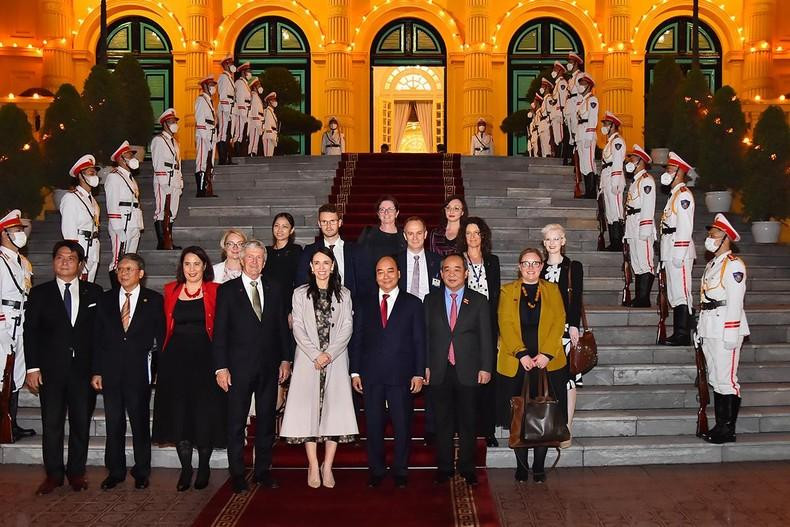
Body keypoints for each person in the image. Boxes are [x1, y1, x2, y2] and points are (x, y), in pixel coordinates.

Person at [24, 241, 102, 495]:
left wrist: (98, 369)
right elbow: (31, 333)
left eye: (71, 258)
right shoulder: (39, 293)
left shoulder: (95, 292)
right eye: (60, 257)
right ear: (53, 261)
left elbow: (101, 334)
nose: (65, 261)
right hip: (51, 371)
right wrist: (32, 368)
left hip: (83, 371)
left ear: (81, 264)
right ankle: (53, 475)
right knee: (52, 423)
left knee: (81, 422)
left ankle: (76, 473)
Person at [213, 240, 291, 493]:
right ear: (242, 259)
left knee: (267, 421)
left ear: (264, 262)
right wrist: (221, 367)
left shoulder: (275, 288)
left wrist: (285, 359)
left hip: (269, 367)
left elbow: (282, 327)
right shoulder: (226, 291)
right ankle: (237, 473)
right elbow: (220, 333)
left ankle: (262, 471)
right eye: (250, 257)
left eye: (259, 257)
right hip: (237, 370)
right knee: (236, 422)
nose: (255, 261)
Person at [281, 248, 357, 488]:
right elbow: (298, 328)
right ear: (311, 267)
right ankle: (313, 464)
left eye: (326, 263)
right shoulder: (299, 294)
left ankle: (328, 466)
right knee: (308, 413)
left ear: (333, 266)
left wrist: (329, 354)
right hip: (308, 360)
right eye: (317, 263)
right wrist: (316, 354)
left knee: (335, 411)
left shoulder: (344, 294)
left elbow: (347, 327)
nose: (322, 267)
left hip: (335, 359)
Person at [153, 247, 225, 491]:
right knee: (180, 414)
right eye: (187, 264)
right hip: (175, 362)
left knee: (203, 415)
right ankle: (186, 469)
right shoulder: (170, 290)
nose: (192, 269)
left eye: (197, 264)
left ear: (205, 266)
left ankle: (203, 467)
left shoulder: (216, 291)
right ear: (181, 267)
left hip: (206, 361)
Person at [351, 256, 425, 489]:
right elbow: (357, 339)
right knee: (373, 426)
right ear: (375, 276)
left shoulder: (413, 303)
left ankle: (401, 470)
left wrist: (418, 373)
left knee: (402, 426)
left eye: (390, 271)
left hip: (401, 376)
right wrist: (354, 372)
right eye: (380, 272)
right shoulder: (364, 303)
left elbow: (419, 341)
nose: (385, 276)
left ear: (399, 274)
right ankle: (377, 470)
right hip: (371, 376)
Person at [92, 253, 165, 490]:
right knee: (114, 423)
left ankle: (142, 471)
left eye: (129, 269)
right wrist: (97, 371)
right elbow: (98, 337)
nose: (123, 273)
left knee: (140, 423)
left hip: (138, 372)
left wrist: (157, 370)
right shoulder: (105, 299)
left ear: (141, 274)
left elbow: (161, 337)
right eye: (120, 269)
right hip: (111, 372)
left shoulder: (153, 300)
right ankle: (116, 471)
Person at [498, 248, 567, 483]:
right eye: (525, 263)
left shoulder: (552, 290)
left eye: (535, 263)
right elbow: (505, 324)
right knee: (518, 414)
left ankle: (538, 466)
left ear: (541, 266)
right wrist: (522, 354)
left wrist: (546, 353)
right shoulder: (507, 291)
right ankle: (521, 465)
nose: (530, 267)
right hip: (517, 363)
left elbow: (559, 322)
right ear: (519, 266)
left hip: (547, 363)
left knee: (544, 414)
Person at [425, 254, 493, 486]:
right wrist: (424, 366)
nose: (452, 273)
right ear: (441, 274)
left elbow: (486, 337)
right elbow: (425, 337)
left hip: (469, 369)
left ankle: (467, 468)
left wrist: (486, 367)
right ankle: (444, 468)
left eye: (457, 269)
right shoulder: (430, 300)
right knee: (442, 422)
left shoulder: (479, 300)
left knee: (468, 422)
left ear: (465, 273)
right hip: (439, 369)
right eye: (447, 269)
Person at [698, 214, 749, 444]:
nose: (710, 238)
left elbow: (735, 302)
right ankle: (720, 426)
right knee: (716, 378)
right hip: (710, 326)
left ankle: (727, 429)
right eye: (710, 234)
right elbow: (705, 299)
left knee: (727, 379)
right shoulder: (712, 264)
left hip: (726, 327)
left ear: (726, 238)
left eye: (714, 234)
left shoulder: (734, 265)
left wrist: (731, 331)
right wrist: (700, 330)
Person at [457, 217, 501, 447]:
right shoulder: (457, 262)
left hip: (488, 328)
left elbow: (497, 298)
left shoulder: (492, 262)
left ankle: (488, 429)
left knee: (487, 381)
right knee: (465, 381)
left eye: (477, 233)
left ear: (483, 236)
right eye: (468, 233)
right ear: (463, 237)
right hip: (463, 329)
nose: (473, 237)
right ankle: (466, 429)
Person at [540, 224, 584, 442]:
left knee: (568, 379)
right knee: (547, 378)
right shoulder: (538, 268)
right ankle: (547, 422)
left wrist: (574, 325)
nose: (552, 243)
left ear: (563, 241)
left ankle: (566, 427)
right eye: (548, 239)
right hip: (544, 332)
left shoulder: (573, 267)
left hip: (566, 330)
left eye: (556, 239)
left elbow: (576, 298)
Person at [0, 210, 35, 441]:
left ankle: (10, 422)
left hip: (21, 322)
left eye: (21, 230)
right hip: (4, 323)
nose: (21, 234)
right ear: (4, 233)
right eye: (16, 230)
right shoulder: (1, 261)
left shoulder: (23, 261)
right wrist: (3, 330)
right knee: (1, 374)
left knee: (15, 375)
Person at [659, 151, 695, 346]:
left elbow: (684, 227)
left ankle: (683, 333)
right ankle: (679, 331)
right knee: (674, 292)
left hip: (679, 251)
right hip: (670, 249)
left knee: (681, 291)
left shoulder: (683, 196)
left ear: (680, 172)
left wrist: (679, 254)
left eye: (671, 170)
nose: (666, 173)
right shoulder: (674, 196)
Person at [297, 204, 369, 301]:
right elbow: (302, 282)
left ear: (339, 223)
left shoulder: (355, 251)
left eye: (332, 221)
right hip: (317, 306)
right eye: (324, 222)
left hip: (349, 307)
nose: (328, 226)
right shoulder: (310, 251)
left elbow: (363, 284)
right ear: (319, 224)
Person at [105, 141, 144, 287]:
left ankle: (127, 289)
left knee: (131, 258)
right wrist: (117, 228)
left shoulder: (129, 177)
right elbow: (112, 203)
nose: (132, 157)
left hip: (133, 220)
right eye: (128, 155)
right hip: (122, 222)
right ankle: (116, 293)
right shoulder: (114, 177)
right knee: (118, 260)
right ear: (121, 158)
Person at [623, 145, 656, 307]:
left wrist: (645, 229)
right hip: (633, 224)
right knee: (636, 262)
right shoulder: (636, 181)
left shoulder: (646, 181)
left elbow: (648, 206)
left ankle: (644, 298)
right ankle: (639, 297)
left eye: (633, 159)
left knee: (645, 262)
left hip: (643, 226)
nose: (629, 161)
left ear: (641, 162)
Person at [60, 154, 100, 281]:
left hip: (93, 245)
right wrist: (74, 255)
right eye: (91, 172)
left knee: (89, 285)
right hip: (81, 244)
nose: (94, 176)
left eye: (95, 173)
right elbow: (69, 230)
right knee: (77, 284)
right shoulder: (71, 198)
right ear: (81, 176)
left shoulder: (92, 199)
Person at [151, 108, 183, 250]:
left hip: (175, 179)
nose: (174, 124)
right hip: (163, 180)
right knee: (161, 210)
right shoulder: (159, 140)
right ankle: (162, 242)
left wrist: (180, 180)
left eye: (175, 121)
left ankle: (168, 239)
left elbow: (178, 163)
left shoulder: (175, 143)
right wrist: (164, 183)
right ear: (164, 124)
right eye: (171, 121)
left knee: (172, 211)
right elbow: (158, 163)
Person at [397, 216, 442, 301]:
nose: (415, 238)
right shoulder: (395, 262)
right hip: (403, 310)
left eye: (419, 233)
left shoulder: (438, 261)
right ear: (405, 236)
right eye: (410, 233)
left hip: (429, 310)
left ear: (425, 234)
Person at [599, 111, 626, 251]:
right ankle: (613, 241)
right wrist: (602, 186)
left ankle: (619, 242)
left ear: (613, 126)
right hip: (607, 178)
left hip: (614, 179)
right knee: (609, 212)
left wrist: (615, 182)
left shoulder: (617, 142)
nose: (604, 126)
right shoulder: (610, 142)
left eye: (607, 124)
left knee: (616, 211)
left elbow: (616, 162)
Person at [263, 213, 303, 305]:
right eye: (276, 226)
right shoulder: (265, 251)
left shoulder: (296, 251)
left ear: (291, 230)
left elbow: (299, 281)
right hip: (267, 302)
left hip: (288, 301)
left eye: (284, 226)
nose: (279, 230)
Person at [357, 196, 407, 268]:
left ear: (397, 213)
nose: (386, 212)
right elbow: (359, 258)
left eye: (390, 209)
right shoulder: (368, 233)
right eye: (382, 209)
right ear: (378, 214)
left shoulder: (404, 235)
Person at [575, 72, 598, 199]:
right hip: (580, 134)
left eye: (582, 83)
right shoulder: (582, 101)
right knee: (583, 164)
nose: (580, 86)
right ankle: (588, 191)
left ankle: (592, 191)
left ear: (589, 85)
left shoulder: (592, 100)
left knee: (588, 162)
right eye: (579, 84)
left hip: (587, 135)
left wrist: (589, 136)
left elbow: (592, 119)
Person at [194, 75, 218, 197]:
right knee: (202, 162)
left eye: (214, 86)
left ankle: (207, 188)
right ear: (204, 87)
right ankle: (201, 190)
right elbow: (200, 121)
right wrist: (205, 138)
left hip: (211, 135)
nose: (214, 88)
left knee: (210, 163)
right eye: (211, 86)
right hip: (204, 136)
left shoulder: (209, 101)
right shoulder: (201, 100)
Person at [563, 52, 584, 165]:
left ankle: (576, 158)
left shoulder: (580, 76)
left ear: (576, 63)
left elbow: (581, 93)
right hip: (570, 107)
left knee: (576, 133)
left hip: (576, 106)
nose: (568, 65)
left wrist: (579, 109)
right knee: (571, 133)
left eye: (570, 62)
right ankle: (572, 156)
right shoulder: (571, 79)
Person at [216, 55, 237, 165]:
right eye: (231, 64)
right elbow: (223, 95)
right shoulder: (224, 78)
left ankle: (227, 157)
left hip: (229, 108)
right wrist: (226, 110)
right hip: (225, 108)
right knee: (222, 133)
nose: (233, 65)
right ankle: (222, 158)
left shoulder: (229, 78)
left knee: (227, 133)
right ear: (225, 65)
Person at [550, 61, 570, 163]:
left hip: (559, 114)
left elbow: (562, 100)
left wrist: (563, 113)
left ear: (561, 71)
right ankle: (559, 156)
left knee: (560, 137)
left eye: (555, 70)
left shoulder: (562, 83)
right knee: (557, 137)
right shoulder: (557, 83)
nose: (553, 71)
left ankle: (562, 157)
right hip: (555, 114)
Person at [231, 62, 252, 156]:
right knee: (238, 134)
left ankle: (241, 152)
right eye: (248, 71)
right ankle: (236, 153)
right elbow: (240, 99)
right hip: (241, 111)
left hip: (246, 110)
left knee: (242, 133)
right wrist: (243, 113)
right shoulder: (239, 83)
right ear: (243, 72)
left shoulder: (245, 83)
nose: (250, 73)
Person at [247, 77, 264, 157]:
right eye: (258, 84)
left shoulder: (256, 96)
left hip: (257, 122)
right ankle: (251, 154)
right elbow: (255, 113)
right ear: (254, 86)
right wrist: (258, 125)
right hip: (255, 123)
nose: (260, 86)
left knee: (255, 142)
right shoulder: (254, 97)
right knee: (253, 141)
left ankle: (253, 154)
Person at [262, 92, 279, 157]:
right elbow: (267, 125)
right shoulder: (267, 111)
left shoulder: (272, 112)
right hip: (268, 136)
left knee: (270, 156)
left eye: (275, 100)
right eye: (273, 100)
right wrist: (271, 137)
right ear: (269, 102)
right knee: (267, 156)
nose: (275, 101)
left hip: (272, 135)